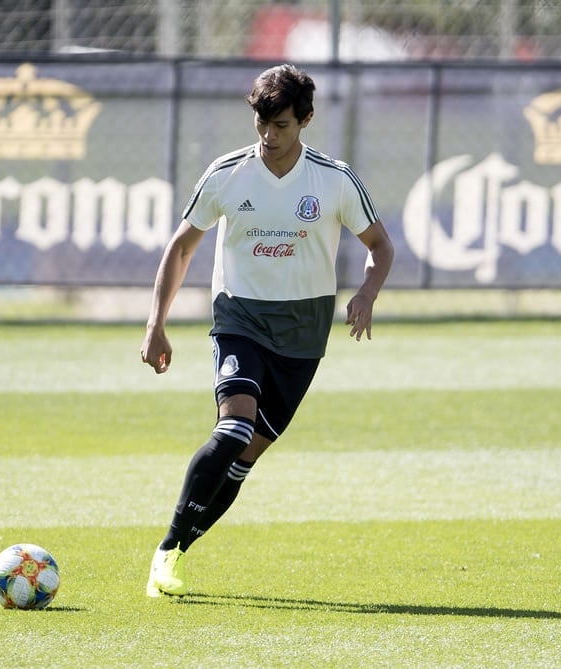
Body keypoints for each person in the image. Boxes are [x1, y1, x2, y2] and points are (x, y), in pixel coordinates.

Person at [139, 64, 394, 597]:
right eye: (261, 123)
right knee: (231, 430)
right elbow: (182, 246)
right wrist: (156, 323)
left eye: (280, 125)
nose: (268, 136)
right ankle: (167, 550)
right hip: (241, 318)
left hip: (304, 331)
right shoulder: (227, 173)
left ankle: (181, 548)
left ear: (305, 120)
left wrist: (367, 293)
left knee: (246, 455)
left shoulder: (334, 179)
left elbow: (380, 246)